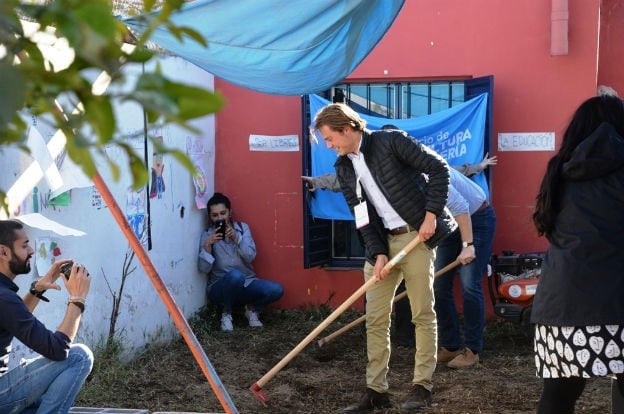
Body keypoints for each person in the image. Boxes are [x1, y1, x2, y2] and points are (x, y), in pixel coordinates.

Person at [312, 103, 457, 412]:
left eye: (329, 138)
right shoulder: (344, 167)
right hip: (383, 245)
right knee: (376, 318)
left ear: (347, 129)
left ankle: (422, 387)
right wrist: (377, 253)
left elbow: (439, 169)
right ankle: (376, 392)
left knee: (422, 314)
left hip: (416, 236)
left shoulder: (391, 141)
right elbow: (361, 216)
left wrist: (431, 216)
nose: (329, 146)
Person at [531, 94, 624, 414]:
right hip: (616, 303)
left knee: (557, 398)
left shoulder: (558, 170)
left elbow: (548, 225)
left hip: (561, 306)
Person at [0, 219, 93, 413]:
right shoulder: (4, 297)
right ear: (3, 252)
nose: (32, 251)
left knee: (46, 399)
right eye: (24, 246)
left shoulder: (4, 295)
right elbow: (57, 350)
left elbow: (12, 318)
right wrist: (77, 299)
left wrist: (36, 290)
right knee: (79, 356)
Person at [198, 192, 284, 332]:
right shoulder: (208, 234)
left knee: (276, 289)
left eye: (223, 213)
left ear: (230, 212)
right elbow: (204, 269)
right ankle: (226, 314)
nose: (220, 218)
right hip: (220, 287)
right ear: (210, 217)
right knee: (235, 276)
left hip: (246, 283)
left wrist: (237, 239)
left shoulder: (243, 229)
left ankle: (252, 310)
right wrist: (207, 247)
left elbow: (251, 257)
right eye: (215, 215)